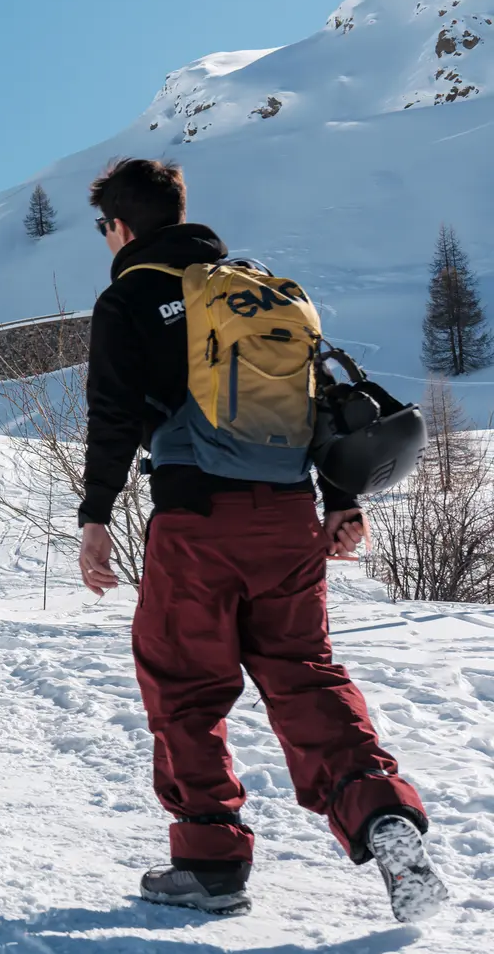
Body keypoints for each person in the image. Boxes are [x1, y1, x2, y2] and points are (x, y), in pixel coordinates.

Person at [77, 158, 448, 921]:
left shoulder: (131, 294)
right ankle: (382, 816)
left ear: (119, 225)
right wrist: (339, 500)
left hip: (196, 522)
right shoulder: (259, 290)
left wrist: (95, 516)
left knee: (185, 684)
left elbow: (113, 414)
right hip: (287, 520)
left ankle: (211, 862)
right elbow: (321, 402)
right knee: (305, 672)